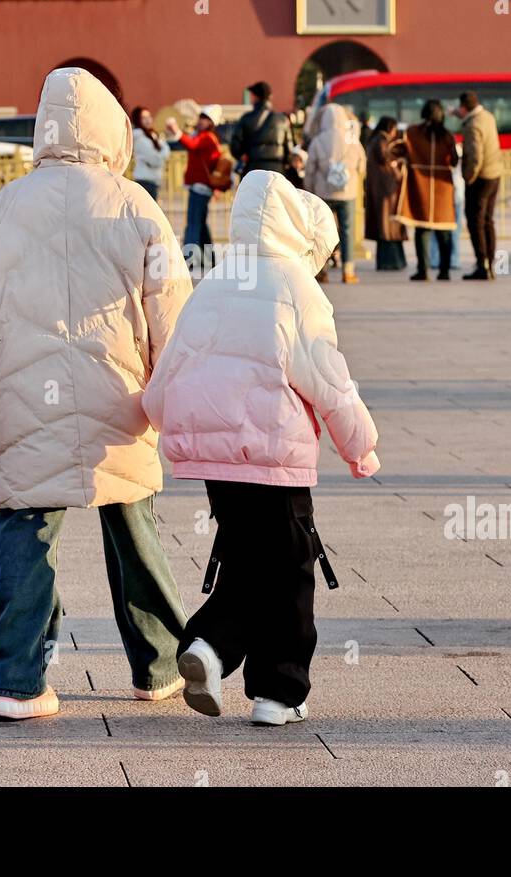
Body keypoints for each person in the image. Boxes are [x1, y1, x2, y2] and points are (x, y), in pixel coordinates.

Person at [0, 67, 193, 721]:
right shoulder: (136, 205)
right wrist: (176, 387)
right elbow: (171, 309)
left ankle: (17, 678)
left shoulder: (4, 205)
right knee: (134, 525)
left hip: (23, 395)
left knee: (28, 528)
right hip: (120, 395)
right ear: (111, 130)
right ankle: (158, 664)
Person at [144, 170, 379, 726]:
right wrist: (359, 446)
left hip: (215, 464)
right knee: (291, 569)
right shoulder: (298, 287)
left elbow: (169, 370)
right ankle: (278, 691)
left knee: (249, 559)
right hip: (276, 458)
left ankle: (207, 645)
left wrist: (160, 421)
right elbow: (328, 379)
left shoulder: (217, 282)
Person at [396, 99, 458, 281]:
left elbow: (397, 149)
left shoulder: (413, 132)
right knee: (444, 232)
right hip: (442, 188)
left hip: (420, 184)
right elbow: (454, 160)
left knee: (422, 230)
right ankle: (444, 271)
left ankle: (423, 270)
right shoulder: (446, 135)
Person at [305, 102, 366, 284]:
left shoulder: (318, 140)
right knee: (347, 231)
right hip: (347, 193)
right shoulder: (352, 139)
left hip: (322, 193)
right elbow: (362, 164)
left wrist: (309, 189)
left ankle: (322, 271)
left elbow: (310, 169)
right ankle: (348, 271)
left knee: (322, 231)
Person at [166, 104, 224, 272]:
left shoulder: (206, 137)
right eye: (201, 117)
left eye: (205, 119)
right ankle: (209, 259)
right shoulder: (207, 137)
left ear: (211, 122)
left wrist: (176, 130)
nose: (200, 121)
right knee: (200, 223)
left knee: (193, 222)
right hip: (202, 186)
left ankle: (188, 260)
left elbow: (191, 144)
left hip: (200, 186)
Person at [457, 90, 503, 280]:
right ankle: (490, 264)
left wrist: (468, 178)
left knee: (475, 221)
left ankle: (482, 263)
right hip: (495, 174)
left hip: (480, 178)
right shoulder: (488, 117)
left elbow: (475, 156)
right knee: (488, 220)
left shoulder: (472, 125)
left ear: (463, 107)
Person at [364, 116, 407, 271]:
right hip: (387, 191)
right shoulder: (382, 141)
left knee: (386, 228)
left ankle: (391, 261)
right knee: (389, 227)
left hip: (379, 190)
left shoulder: (373, 139)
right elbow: (385, 158)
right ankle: (393, 262)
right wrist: (398, 166)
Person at [230, 80, 293, 175]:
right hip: (277, 171)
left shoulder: (246, 118)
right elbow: (289, 149)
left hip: (253, 169)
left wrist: (242, 156)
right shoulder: (283, 119)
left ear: (255, 96)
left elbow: (235, 146)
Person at [130, 106, 168, 201]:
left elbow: (165, 151)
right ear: (138, 120)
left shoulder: (153, 136)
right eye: (143, 118)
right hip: (144, 182)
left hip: (153, 181)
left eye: (149, 116)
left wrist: (162, 152)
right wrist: (163, 153)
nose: (148, 120)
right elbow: (156, 161)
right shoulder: (140, 138)